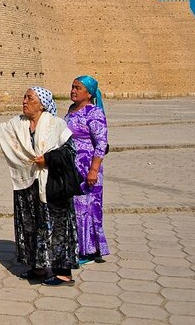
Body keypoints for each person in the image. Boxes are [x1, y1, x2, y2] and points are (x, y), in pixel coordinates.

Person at [0, 87, 79, 286]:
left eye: (29, 98)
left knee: (56, 227)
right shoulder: (17, 124)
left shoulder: (56, 125)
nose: (24, 101)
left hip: (52, 185)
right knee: (31, 226)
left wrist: (47, 158)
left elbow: (71, 150)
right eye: (24, 97)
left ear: (42, 104)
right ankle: (38, 267)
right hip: (27, 183)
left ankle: (63, 273)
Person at [65, 75, 110, 264]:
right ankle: (79, 247)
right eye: (72, 87)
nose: (73, 90)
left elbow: (101, 143)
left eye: (78, 88)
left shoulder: (94, 113)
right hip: (72, 167)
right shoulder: (71, 110)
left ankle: (90, 251)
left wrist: (93, 169)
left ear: (89, 93)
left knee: (88, 208)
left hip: (88, 167)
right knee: (75, 208)